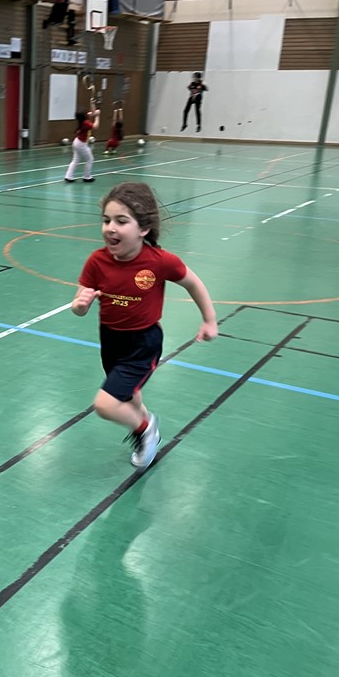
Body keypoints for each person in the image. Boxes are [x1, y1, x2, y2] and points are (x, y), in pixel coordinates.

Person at [71, 182, 218, 470]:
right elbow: (79, 306)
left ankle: (145, 430)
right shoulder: (96, 261)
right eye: (106, 220)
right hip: (110, 341)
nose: (110, 228)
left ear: (144, 229)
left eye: (121, 221)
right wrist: (80, 304)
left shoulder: (159, 262)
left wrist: (209, 320)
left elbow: (193, 283)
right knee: (129, 395)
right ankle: (145, 424)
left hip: (143, 344)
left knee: (106, 404)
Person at [65, 99, 100, 183]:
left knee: (75, 160)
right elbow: (96, 126)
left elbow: (93, 113)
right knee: (90, 159)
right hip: (81, 144)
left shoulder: (83, 121)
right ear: (84, 116)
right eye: (85, 113)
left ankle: (68, 176)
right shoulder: (86, 123)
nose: (87, 113)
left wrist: (92, 103)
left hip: (77, 142)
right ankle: (87, 177)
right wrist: (98, 116)